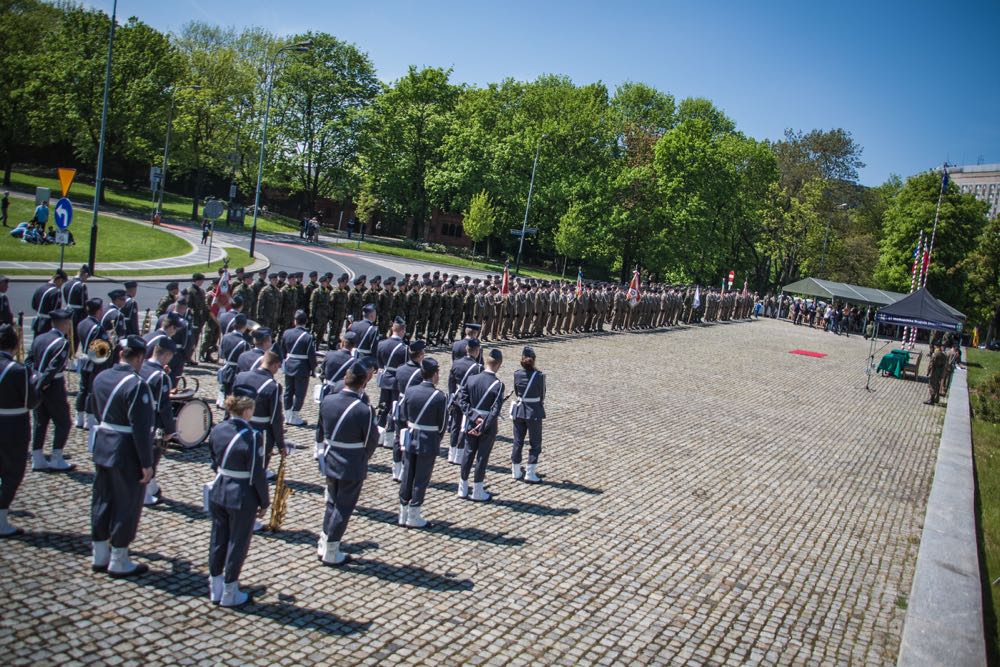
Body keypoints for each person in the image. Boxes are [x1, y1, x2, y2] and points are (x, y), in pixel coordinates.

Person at [89, 335, 155, 578]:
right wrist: (147, 463)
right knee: (126, 504)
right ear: (138, 357)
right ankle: (119, 558)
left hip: (102, 446)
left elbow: (95, 408)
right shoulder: (137, 385)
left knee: (102, 500)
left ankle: (99, 553)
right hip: (125, 450)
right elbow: (141, 429)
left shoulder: (102, 376)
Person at [206, 385, 269, 607]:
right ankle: (231, 591)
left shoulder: (218, 429)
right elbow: (256, 472)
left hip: (219, 488)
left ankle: (215, 586)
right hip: (242, 494)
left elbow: (213, 459)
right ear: (246, 411)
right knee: (237, 543)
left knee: (217, 538)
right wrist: (264, 500)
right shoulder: (252, 436)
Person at [315, 359, 379, 566]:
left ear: (345, 379)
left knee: (331, 502)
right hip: (352, 461)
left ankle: (324, 541)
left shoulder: (328, 401)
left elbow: (321, 429)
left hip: (331, 457)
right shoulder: (364, 410)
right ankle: (332, 550)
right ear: (363, 383)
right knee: (344, 507)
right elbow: (371, 440)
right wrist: (363, 458)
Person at [0, 324, 42, 536]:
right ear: (15, 345)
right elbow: (31, 401)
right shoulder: (18, 370)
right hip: (13, 424)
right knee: (12, 471)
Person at [397, 357, 447, 529]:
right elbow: (442, 425)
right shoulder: (439, 397)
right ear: (434, 375)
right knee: (421, 478)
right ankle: (414, 514)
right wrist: (435, 439)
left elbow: (403, 415)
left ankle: (402, 511)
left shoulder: (410, 391)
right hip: (428, 440)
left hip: (410, 436)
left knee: (407, 474)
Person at [456, 348, 505, 502]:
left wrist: (474, 417)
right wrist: (483, 425)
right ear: (499, 364)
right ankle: (477, 490)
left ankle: (462, 488)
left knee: (468, 454)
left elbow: (462, 401)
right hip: (487, 426)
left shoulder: (471, 379)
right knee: (482, 457)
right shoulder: (498, 385)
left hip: (471, 421)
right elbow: (495, 410)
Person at [29, 308, 74, 472]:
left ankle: (37, 457)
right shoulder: (62, 343)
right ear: (65, 324)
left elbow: (29, 361)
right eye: (68, 323)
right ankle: (56, 458)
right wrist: (42, 384)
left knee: (40, 422)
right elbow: (53, 367)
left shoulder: (39, 338)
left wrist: (34, 383)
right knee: (63, 422)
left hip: (37, 382)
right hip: (53, 386)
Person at [234, 350, 286, 484]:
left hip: (238, 425)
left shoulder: (241, 376)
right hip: (261, 431)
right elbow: (276, 418)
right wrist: (280, 444)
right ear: (274, 366)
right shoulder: (273, 386)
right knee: (257, 467)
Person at [139, 337, 178, 507]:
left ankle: (152, 488)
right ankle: (146, 494)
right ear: (168, 355)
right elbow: (164, 407)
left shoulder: (141, 366)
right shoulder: (160, 376)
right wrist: (170, 429)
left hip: (138, 416)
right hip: (153, 420)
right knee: (152, 456)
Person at [390, 340, 426, 481]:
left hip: (400, 404)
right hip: (413, 407)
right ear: (421, 355)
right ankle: (406, 468)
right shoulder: (421, 373)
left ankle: (396, 468)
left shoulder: (399, 369)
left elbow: (395, 388)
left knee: (398, 437)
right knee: (410, 438)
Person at [75, 298, 112, 429]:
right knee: (91, 390)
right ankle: (89, 419)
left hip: (84, 358)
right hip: (94, 361)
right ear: (98, 311)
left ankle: (79, 417)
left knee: (82, 389)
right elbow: (101, 347)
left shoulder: (82, 323)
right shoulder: (97, 327)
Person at [510, 346, 546, 483]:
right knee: (535, 442)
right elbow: (542, 395)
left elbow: (516, 390)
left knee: (518, 441)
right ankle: (530, 473)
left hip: (519, 410)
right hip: (534, 411)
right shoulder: (540, 376)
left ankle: (516, 470)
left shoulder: (517, 374)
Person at [447, 338, 481, 464]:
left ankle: (451, 453)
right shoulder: (477, 368)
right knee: (464, 426)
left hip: (456, 396)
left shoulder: (456, 363)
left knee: (455, 425)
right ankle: (459, 455)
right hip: (468, 399)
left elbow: (451, 382)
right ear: (476, 351)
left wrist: (452, 395)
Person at [375, 317, 409, 439]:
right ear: (403, 330)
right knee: (394, 408)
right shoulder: (404, 349)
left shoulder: (381, 344)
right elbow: (405, 368)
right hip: (396, 381)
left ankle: (378, 434)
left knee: (383, 406)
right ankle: (389, 436)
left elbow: (378, 363)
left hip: (384, 378)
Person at [281, 310, 316, 426]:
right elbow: (311, 355)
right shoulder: (308, 337)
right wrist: (313, 368)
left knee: (288, 391)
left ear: (295, 321)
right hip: (302, 367)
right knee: (300, 393)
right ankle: (295, 416)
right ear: (305, 322)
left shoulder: (286, 333)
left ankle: (287, 414)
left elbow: (282, 350)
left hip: (289, 365)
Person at [217, 314, 250, 406]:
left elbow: (221, 355)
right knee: (234, 400)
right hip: (236, 372)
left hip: (225, 369)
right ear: (244, 326)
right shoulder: (244, 343)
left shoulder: (225, 337)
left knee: (227, 396)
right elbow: (245, 362)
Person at [30, 270, 67, 337]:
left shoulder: (40, 288)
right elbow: (56, 312)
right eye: (62, 282)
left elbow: (33, 305)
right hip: (47, 325)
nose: (61, 285)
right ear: (60, 280)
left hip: (38, 322)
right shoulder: (56, 292)